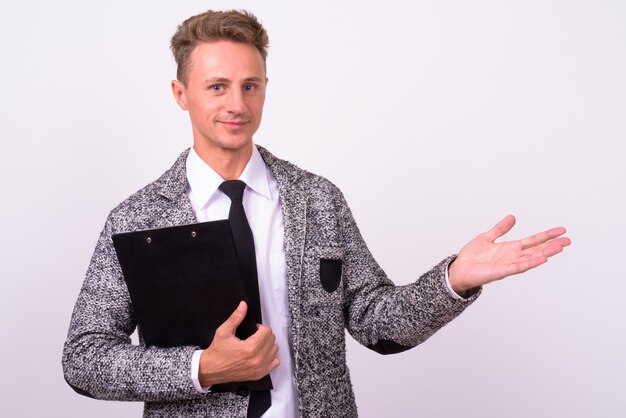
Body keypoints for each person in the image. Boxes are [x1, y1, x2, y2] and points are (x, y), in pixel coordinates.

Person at [62, 9, 570, 418]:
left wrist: (452, 280)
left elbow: (375, 322)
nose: (236, 103)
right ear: (181, 95)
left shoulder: (317, 199)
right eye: (217, 86)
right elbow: (84, 358)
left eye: (250, 85)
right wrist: (201, 368)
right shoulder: (138, 218)